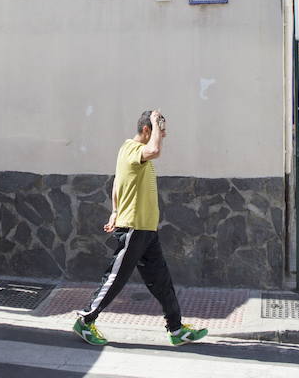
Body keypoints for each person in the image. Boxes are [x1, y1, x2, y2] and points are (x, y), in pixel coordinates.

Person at [73, 110, 207, 347]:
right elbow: (153, 150)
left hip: (146, 230)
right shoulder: (134, 149)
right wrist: (155, 123)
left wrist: (114, 211)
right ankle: (85, 321)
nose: (163, 135)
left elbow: (118, 181)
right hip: (134, 228)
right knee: (115, 278)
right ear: (147, 130)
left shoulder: (131, 154)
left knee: (162, 281)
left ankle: (176, 329)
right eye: (159, 131)